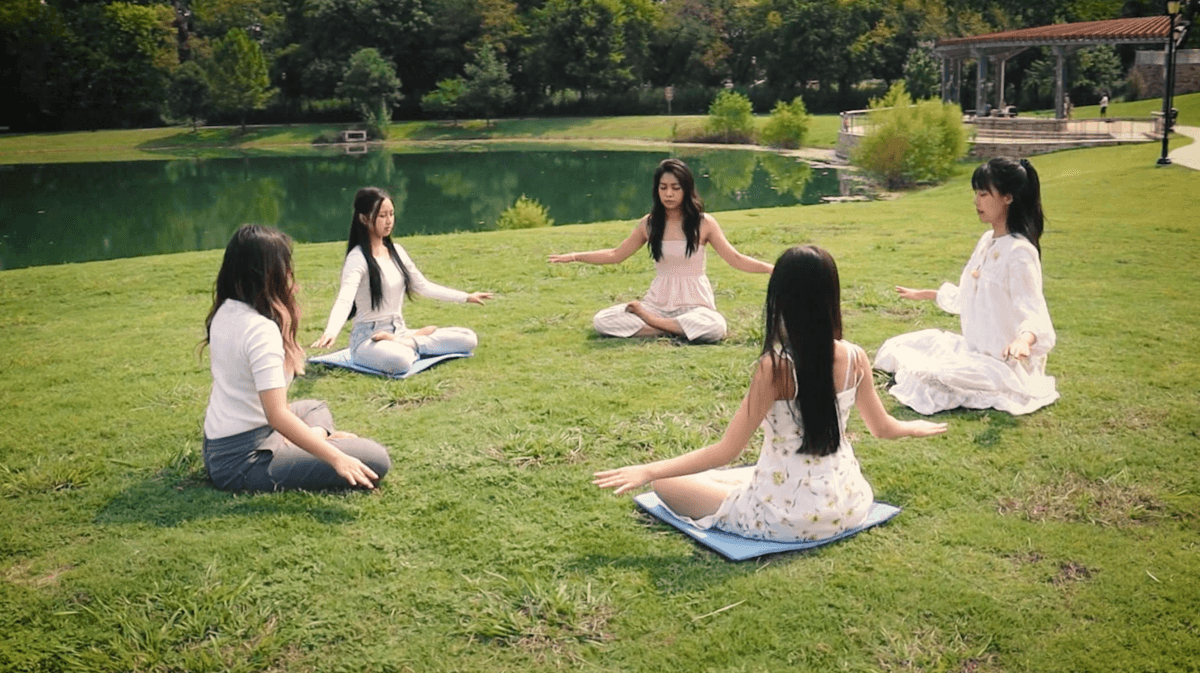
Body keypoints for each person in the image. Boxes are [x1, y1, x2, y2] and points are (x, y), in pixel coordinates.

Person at [594, 246, 947, 541]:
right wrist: (913, 426)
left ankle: (698, 482)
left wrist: (647, 471)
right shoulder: (855, 356)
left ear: (780, 300)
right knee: (738, 475)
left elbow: (725, 451)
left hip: (784, 519)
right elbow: (883, 428)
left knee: (668, 485)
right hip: (850, 504)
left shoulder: (775, 368)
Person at [202, 225, 391, 491]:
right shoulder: (259, 329)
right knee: (374, 457)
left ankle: (299, 441)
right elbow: (277, 415)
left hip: (218, 446)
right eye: (285, 265)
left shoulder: (226, 310)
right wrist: (336, 457)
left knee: (314, 408)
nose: (290, 273)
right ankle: (304, 443)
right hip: (244, 460)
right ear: (271, 273)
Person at [875, 157, 1057, 416]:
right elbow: (971, 295)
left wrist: (1023, 341)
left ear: (1007, 197)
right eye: (976, 193)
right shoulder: (987, 240)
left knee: (930, 376)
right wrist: (927, 294)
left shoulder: (1020, 252)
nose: (976, 201)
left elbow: (1032, 308)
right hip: (973, 350)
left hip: (1003, 363)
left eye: (983, 194)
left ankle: (1000, 382)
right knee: (897, 347)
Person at [548, 158, 773, 343]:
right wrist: (576, 256)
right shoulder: (650, 223)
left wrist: (770, 268)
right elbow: (616, 255)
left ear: (687, 189)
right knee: (602, 320)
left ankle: (657, 327)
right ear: (657, 190)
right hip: (657, 305)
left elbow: (735, 258)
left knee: (716, 326)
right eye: (663, 187)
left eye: (675, 188)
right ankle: (671, 329)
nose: (669, 194)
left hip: (695, 305)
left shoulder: (704, 223)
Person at [312, 187, 492, 375]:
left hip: (400, 332)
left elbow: (423, 286)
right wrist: (331, 332)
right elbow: (345, 299)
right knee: (401, 361)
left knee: (468, 338)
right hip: (368, 340)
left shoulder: (396, 251)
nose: (389, 221)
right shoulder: (357, 258)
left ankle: (407, 342)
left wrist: (466, 297)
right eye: (382, 215)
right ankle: (411, 344)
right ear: (364, 219)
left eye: (391, 214)